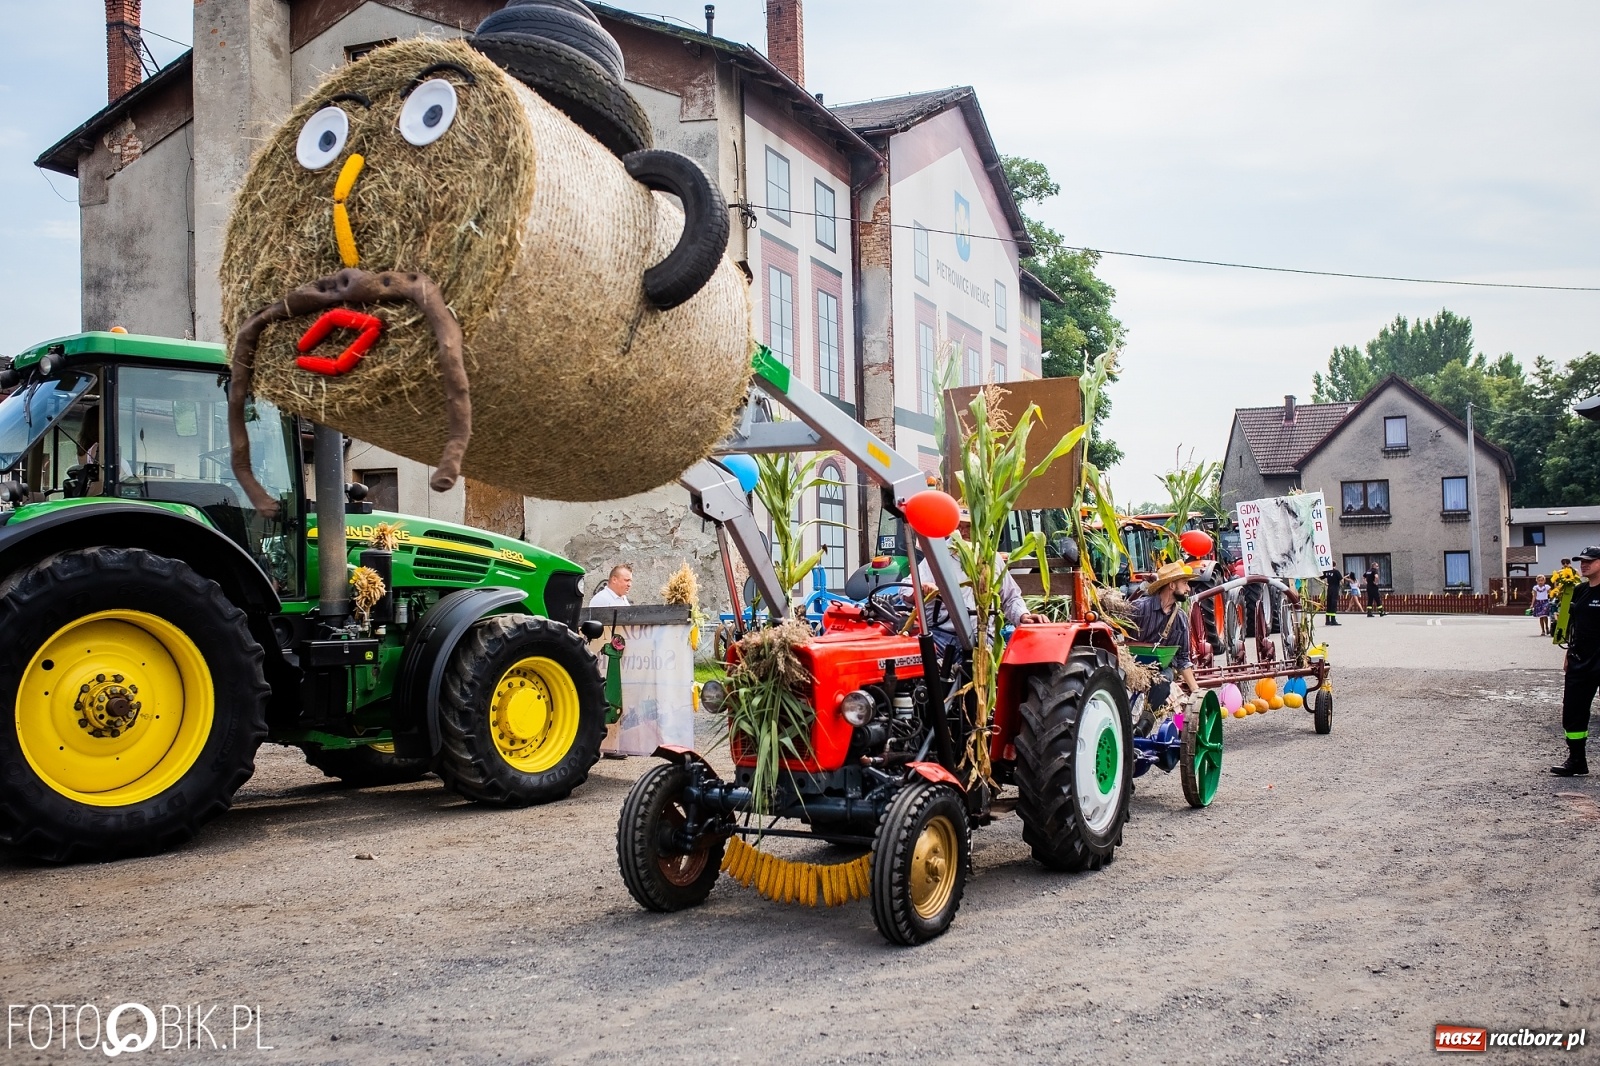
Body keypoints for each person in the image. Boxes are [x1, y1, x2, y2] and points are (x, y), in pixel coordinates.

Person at [916, 511, 1046, 653]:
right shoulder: (938, 556)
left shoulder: (992, 559)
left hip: (983, 637)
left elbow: (1011, 598)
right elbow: (906, 591)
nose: (963, 532)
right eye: (959, 527)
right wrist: (922, 588)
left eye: (968, 527)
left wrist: (1023, 616)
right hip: (943, 637)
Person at [1551, 546, 1600, 776]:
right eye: (1582, 561)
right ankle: (1577, 760)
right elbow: (1574, 627)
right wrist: (1568, 654)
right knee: (1573, 712)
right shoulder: (1579, 591)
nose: (1584, 564)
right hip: (1580, 659)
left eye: (1589, 561)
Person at [1130, 561, 1199, 702]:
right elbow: (1112, 631)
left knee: (1162, 684)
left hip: (1162, 670)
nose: (1188, 588)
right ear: (1172, 585)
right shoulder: (1139, 608)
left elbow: (1182, 660)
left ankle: (1146, 720)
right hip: (1132, 666)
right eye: (1185, 583)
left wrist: (1196, 692)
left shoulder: (1180, 619)